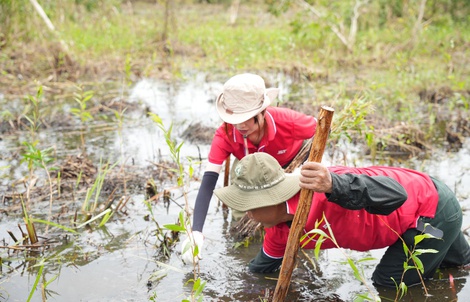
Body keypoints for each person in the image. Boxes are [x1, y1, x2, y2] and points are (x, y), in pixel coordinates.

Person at [213, 152, 470, 287]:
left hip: (430, 212)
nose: (247, 214)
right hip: (420, 201)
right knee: (461, 266)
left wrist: (336, 185)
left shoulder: (325, 187)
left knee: (389, 284)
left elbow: (396, 194)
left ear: (272, 199)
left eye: (251, 207)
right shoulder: (280, 232)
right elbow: (260, 270)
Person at [181, 73, 317, 264]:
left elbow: (321, 131)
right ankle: (246, 255)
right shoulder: (225, 135)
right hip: (250, 169)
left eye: (248, 118)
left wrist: (302, 169)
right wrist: (196, 232)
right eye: (235, 118)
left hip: (289, 165)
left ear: (262, 111)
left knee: (294, 219)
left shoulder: (288, 121)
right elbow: (208, 183)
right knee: (243, 223)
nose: (241, 125)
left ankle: (297, 256)